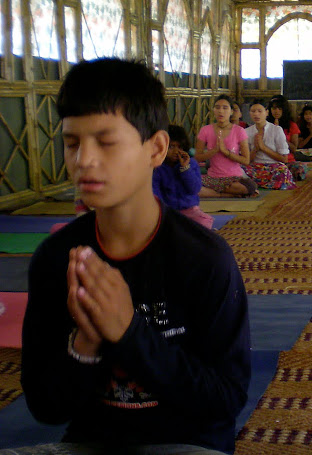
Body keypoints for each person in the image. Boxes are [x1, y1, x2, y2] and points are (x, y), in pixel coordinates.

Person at [21, 58, 250, 454]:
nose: (83, 160)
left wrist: (129, 332)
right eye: (73, 143)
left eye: (106, 142)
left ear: (156, 148)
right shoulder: (57, 258)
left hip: (186, 443)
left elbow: (224, 399)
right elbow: (47, 408)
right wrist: (86, 344)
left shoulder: (204, 258)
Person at [153, 125, 213, 230]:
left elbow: (194, 189)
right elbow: (155, 193)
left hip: (190, 210)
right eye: (171, 147)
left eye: (180, 147)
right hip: (168, 212)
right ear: (162, 146)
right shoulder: (158, 168)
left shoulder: (191, 164)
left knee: (203, 222)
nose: (176, 151)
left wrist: (185, 169)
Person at [196, 95, 257, 197]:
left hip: (233, 178)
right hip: (212, 178)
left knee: (249, 187)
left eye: (225, 108)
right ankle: (225, 195)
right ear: (213, 110)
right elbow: (197, 157)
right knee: (189, 186)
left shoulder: (239, 131)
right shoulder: (205, 130)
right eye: (217, 107)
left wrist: (226, 152)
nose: (221, 111)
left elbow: (246, 160)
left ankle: (215, 193)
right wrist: (214, 151)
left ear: (231, 111)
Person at [244, 98, 297, 189]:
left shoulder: (276, 130)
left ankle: (256, 184)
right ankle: (259, 184)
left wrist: (263, 147)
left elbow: (284, 159)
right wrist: (256, 149)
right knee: (239, 170)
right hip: (255, 167)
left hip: (274, 167)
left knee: (283, 172)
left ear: (267, 112)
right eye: (253, 111)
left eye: (260, 111)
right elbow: (247, 160)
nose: (256, 114)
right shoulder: (246, 132)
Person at [268, 95, 308, 179]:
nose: (276, 111)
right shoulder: (265, 124)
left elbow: (293, 149)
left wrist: (280, 133)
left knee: (300, 168)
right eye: (274, 108)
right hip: (270, 160)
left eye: (280, 109)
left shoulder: (291, 125)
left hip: (288, 161)